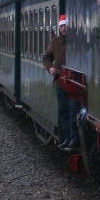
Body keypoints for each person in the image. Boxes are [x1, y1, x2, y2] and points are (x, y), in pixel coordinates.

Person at [41, 15, 79, 151]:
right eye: (62, 26)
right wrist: (49, 67)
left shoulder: (76, 41)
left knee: (73, 111)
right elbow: (46, 58)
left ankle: (74, 138)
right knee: (63, 111)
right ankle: (67, 137)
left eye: (66, 26)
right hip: (59, 82)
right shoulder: (55, 42)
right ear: (59, 27)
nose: (64, 28)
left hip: (74, 83)